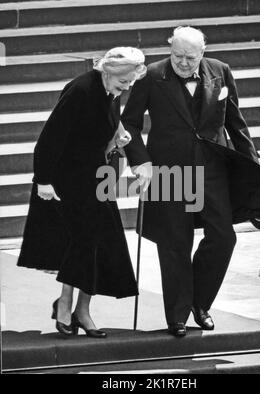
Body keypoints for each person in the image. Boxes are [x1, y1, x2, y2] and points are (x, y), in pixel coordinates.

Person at [122, 26, 260, 337]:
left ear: (202, 53)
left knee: (224, 237)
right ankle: (177, 314)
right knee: (175, 243)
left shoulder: (221, 71)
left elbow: (236, 124)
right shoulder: (151, 75)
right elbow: (128, 124)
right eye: (177, 56)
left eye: (190, 58)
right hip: (168, 172)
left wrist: (254, 171)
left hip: (213, 169)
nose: (183, 63)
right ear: (169, 48)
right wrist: (140, 160)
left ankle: (200, 302)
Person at [17, 47, 147, 338]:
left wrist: (118, 133)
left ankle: (81, 309)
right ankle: (67, 305)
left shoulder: (112, 89)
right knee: (84, 241)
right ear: (109, 70)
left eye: (130, 83)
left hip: (96, 175)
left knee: (102, 242)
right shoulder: (80, 90)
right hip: (68, 179)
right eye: (123, 82)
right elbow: (49, 139)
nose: (126, 88)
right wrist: (44, 181)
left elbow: (106, 115)